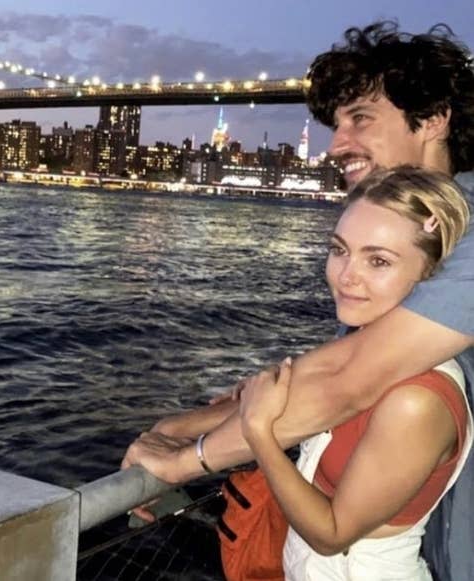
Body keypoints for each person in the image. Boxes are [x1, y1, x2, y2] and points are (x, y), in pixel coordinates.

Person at [121, 21, 474, 580]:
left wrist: (185, 461)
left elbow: (346, 381)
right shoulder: (416, 237)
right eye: (336, 125)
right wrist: (190, 421)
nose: (338, 144)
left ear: (432, 119)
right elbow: (327, 376)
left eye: (361, 118)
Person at [239, 166, 471, 579]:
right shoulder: (362, 359)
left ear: (429, 276)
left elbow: (332, 534)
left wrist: (259, 434)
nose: (346, 275)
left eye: (377, 260)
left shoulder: (417, 400)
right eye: (340, 249)